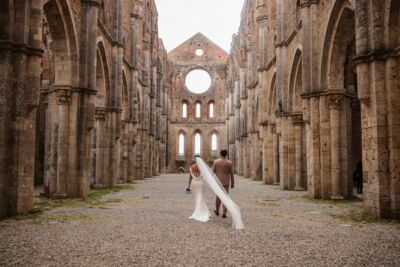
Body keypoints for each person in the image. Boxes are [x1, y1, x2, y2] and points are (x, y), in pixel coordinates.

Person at [212, 149, 234, 218]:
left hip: (218, 182)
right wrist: (233, 183)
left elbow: (212, 172)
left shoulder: (216, 162)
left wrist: (212, 182)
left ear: (220, 154)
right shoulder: (229, 163)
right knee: (225, 197)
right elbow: (231, 174)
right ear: (226, 154)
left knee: (218, 197)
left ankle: (217, 211)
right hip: (226, 182)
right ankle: (224, 212)